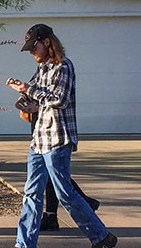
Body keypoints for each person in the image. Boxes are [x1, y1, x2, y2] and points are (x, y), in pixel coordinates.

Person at [0, 24, 118, 248]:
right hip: (39, 140)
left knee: (64, 193)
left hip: (57, 139)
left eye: (35, 47)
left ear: (47, 43)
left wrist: (29, 89)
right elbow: (36, 97)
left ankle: (102, 237)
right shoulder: (41, 69)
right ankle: (25, 247)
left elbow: (59, 99)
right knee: (31, 193)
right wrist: (24, 99)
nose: (33, 52)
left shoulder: (64, 67)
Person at [16, 87, 101, 231]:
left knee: (56, 177)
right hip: (39, 130)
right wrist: (23, 98)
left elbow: (59, 102)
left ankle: (91, 220)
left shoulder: (60, 72)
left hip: (52, 132)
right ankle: (53, 216)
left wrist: (37, 107)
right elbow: (23, 100)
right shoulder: (39, 77)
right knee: (52, 176)